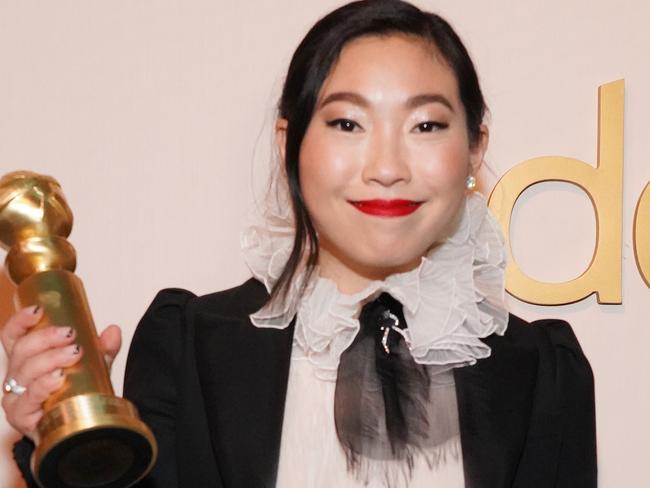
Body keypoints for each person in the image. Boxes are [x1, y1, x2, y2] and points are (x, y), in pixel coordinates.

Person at [2, 1, 597, 487]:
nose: (386, 166)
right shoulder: (189, 343)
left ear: (473, 148)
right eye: (347, 124)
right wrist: (56, 444)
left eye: (426, 125)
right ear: (290, 144)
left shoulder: (543, 372)